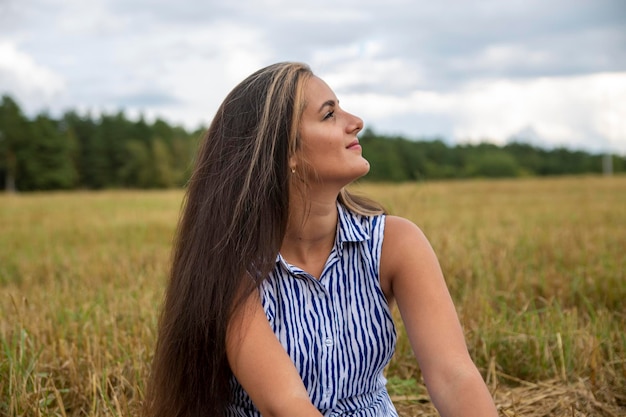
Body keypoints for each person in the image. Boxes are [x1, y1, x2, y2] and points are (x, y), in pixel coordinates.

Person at [143, 62, 498, 417]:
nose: (355, 121)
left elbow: (454, 376)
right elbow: (285, 405)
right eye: (329, 115)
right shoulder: (233, 269)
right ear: (287, 154)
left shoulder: (396, 243)